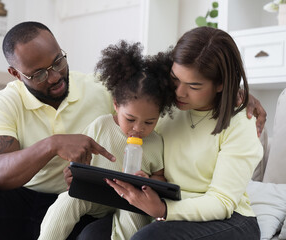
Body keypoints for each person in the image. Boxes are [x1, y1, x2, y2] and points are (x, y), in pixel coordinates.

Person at [0, 21, 265, 240]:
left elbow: (151, 89)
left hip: (131, 202)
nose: (53, 76)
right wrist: (55, 148)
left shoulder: (106, 90)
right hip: (55, 196)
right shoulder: (6, 103)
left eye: (57, 62)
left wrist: (236, 95)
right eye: (38, 73)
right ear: (15, 73)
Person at [102, 26, 264, 239]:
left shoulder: (240, 124)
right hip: (168, 205)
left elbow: (222, 202)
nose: (179, 92)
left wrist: (163, 210)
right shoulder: (163, 107)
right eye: (175, 78)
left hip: (230, 219)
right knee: (92, 233)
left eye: (194, 86)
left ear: (221, 84)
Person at [38, 40, 174, 240]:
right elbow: (79, 158)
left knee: (134, 219)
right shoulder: (101, 125)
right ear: (116, 105)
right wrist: (74, 171)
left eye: (149, 122)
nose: (138, 128)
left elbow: (160, 176)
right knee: (67, 201)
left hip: (132, 200)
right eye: (130, 119)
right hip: (97, 194)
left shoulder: (155, 142)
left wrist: (149, 182)